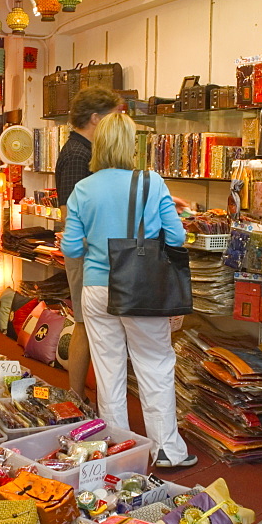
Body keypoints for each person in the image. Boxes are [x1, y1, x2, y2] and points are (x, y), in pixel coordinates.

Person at [61, 113, 197, 468]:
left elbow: (72, 249)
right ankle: (166, 449)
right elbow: (178, 238)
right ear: (131, 146)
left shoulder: (82, 189)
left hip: (96, 288)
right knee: (154, 365)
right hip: (140, 286)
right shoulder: (151, 183)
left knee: (107, 369)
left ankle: (118, 448)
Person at [55, 86, 122, 401]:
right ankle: (76, 396)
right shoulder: (76, 154)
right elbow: (72, 212)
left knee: (91, 322)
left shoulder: (86, 152)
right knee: (83, 323)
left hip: (93, 249)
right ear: (95, 118)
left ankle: (81, 396)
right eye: (111, 117)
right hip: (85, 250)